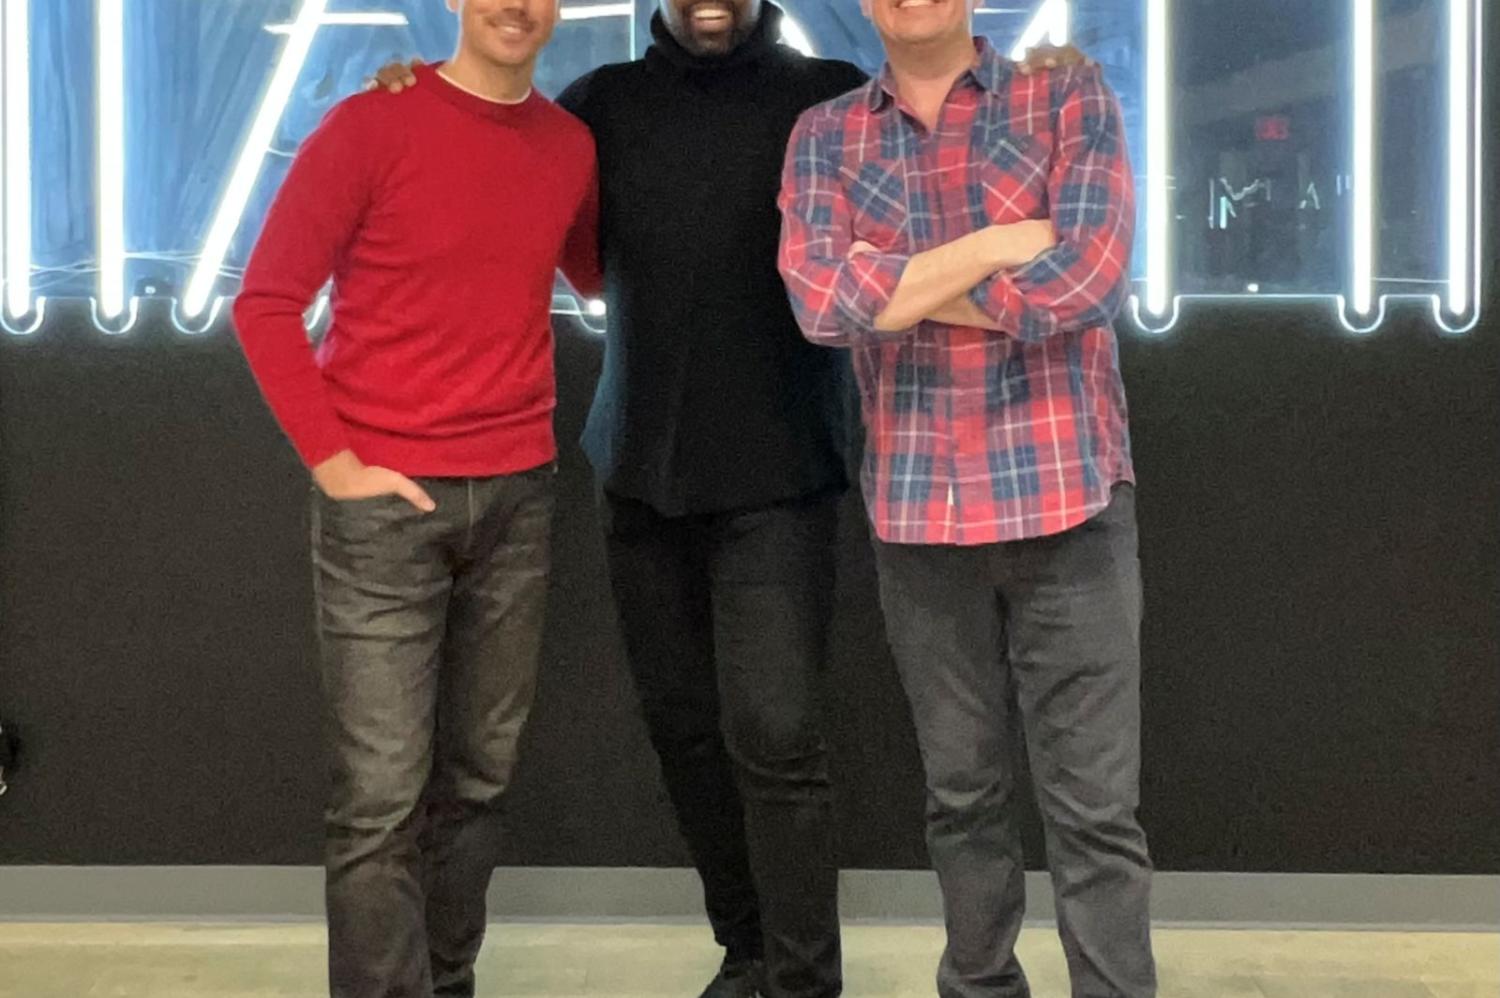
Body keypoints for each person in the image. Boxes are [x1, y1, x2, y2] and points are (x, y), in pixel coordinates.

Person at [372, 4, 1084, 995]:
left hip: (780, 474)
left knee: (777, 737)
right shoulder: (600, 104)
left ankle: (803, 980)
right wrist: (407, 93)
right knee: (685, 733)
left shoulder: (825, 99)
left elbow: (944, 158)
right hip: (638, 471)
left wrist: (1040, 77)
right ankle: (746, 950)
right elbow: (499, 165)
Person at [777, 1, 1155, 996]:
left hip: (1068, 504)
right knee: (962, 801)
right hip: (919, 516)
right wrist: (999, 245)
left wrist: (894, 288)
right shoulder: (826, 135)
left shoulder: (1063, 94)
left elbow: (1086, 281)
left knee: (1096, 816)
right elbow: (820, 304)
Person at [232, 1, 599, 995]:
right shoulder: (370, 125)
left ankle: (444, 981)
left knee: (479, 782)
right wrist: (335, 464)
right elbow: (265, 302)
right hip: (386, 512)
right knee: (381, 800)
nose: (517, 6)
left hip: (518, 496)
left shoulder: (568, 148)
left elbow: (601, 268)